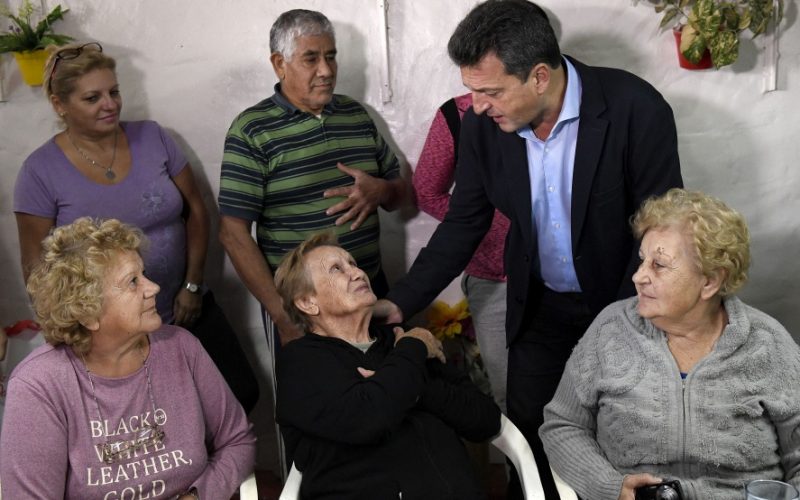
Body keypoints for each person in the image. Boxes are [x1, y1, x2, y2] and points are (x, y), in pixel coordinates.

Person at [376, 1, 683, 496]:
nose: (477, 105)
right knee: (532, 434)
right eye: (472, 90)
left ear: (539, 77)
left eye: (491, 91)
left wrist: (632, 320)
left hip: (622, 306)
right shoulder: (482, 126)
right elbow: (464, 223)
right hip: (539, 307)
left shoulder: (636, 109)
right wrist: (400, 302)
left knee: (622, 437)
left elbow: (661, 231)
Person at [13, 41, 259, 413]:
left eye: (113, 92)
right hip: (109, 333)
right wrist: (76, 333)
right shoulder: (40, 171)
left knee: (240, 392)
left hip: (185, 306)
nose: (109, 104)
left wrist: (193, 285)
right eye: (92, 98)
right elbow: (36, 268)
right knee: (159, 417)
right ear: (60, 105)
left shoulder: (154, 137)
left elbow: (196, 211)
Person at [540, 188, 800, 500]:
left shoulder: (767, 343)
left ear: (710, 281)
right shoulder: (610, 330)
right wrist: (609, 486)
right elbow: (563, 424)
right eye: (642, 260)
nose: (639, 276)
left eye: (659, 265)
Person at [0, 218, 256, 499]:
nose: (153, 288)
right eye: (133, 281)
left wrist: (197, 496)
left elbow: (237, 441)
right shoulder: (39, 385)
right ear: (87, 313)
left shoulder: (181, 347)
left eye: (143, 274)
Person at [218, 9, 407, 345]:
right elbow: (233, 234)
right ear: (279, 63)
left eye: (331, 57)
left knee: (391, 375)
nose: (326, 71)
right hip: (303, 309)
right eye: (311, 59)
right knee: (320, 382)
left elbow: (401, 195)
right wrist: (283, 316)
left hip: (369, 292)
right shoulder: (252, 130)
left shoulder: (356, 115)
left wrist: (381, 191)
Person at [273, 233, 501, 499]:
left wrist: (418, 389)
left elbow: (486, 420)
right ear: (308, 302)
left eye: (353, 263)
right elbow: (369, 418)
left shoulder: (403, 339)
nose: (357, 273)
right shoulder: (301, 361)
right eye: (336, 269)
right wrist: (411, 355)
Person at [413, 92, 510, 411]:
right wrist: (492, 225)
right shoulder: (459, 114)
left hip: (560, 278)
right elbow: (426, 192)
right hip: (495, 280)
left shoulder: (556, 109)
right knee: (509, 392)